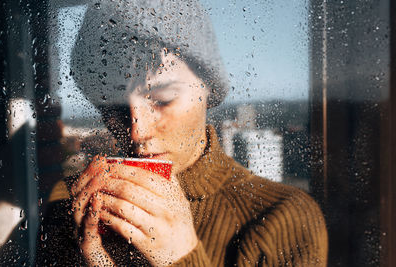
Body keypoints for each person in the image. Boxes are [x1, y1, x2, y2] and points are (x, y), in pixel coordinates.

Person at [36, 0, 328, 266]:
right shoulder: (70, 204)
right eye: (115, 109)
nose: (137, 131)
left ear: (208, 89)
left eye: (163, 99)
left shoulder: (282, 219)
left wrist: (181, 256)